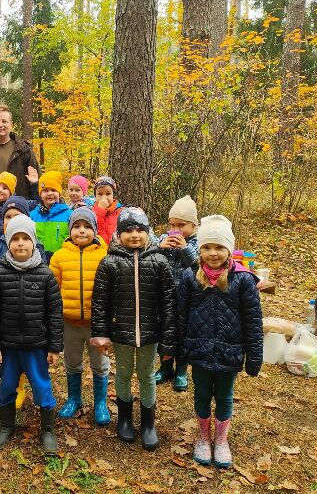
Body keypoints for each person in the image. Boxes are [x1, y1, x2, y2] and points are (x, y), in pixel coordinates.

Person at [178, 215, 262, 468]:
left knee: (224, 396)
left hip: (230, 351)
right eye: (206, 247)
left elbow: (253, 322)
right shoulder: (189, 277)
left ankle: (221, 440)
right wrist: (177, 351)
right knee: (202, 393)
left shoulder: (244, 280)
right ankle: (204, 437)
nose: (213, 253)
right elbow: (180, 316)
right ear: (199, 249)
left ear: (229, 249)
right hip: (199, 349)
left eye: (219, 247)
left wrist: (254, 356)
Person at [90, 207, 176, 451]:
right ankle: (124, 418)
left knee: (147, 375)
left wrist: (169, 341)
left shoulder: (160, 261)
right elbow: (100, 302)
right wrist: (100, 333)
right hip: (121, 334)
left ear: (148, 233)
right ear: (119, 234)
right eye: (128, 230)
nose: (135, 235)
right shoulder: (109, 263)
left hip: (150, 333)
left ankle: (148, 423)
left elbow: (169, 303)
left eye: (140, 229)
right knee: (124, 374)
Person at [0, 216, 63, 454]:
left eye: (25, 239)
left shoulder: (45, 274)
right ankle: (7, 425)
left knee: (41, 386)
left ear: (33, 242)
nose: (20, 244)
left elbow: (55, 313)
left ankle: (47, 430)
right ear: (8, 243)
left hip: (36, 346)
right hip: (8, 346)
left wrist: (54, 347)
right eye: (15, 239)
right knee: (7, 386)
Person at [49, 208, 110, 425]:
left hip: (97, 323)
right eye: (76, 226)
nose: (81, 231)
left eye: (87, 227)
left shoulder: (104, 255)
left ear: (94, 229)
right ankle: (74, 399)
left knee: (100, 363)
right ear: (70, 229)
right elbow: (52, 289)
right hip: (69, 322)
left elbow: (111, 289)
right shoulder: (59, 257)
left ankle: (100, 403)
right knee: (72, 362)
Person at [156, 195, 200, 392]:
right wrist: (159, 248)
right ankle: (165, 367)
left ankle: (181, 370)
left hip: (187, 297)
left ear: (193, 226)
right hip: (164, 295)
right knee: (164, 331)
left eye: (181, 225)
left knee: (183, 332)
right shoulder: (163, 239)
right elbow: (151, 259)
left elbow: (199, 266)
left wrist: (185, 249)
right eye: (173, 224)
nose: (176, 230)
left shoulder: (199, 244)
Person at [0, 104, 41, 198]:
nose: (0, 125)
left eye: (4, 121)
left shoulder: (24, 150)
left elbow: (37, 181)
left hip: (16, 208)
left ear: (11, 124)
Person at [30, 171, 71, 260]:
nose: (50, 193)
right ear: (40, 194)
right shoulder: (33, 216)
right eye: (45, 190)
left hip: (61, 260)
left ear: (59, 193)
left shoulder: (69, 215)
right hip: (38, 260)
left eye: (53, 190)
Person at [0, 170, 39, 235]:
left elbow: (37, 203)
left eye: (5, 188)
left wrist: (35, 185)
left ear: (11, 192)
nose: (0, 190)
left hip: (14, 240)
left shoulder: (18, 204)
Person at [91, 176, 123, 245]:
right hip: (98, 251)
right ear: (95, 196)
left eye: (108, 194)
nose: (104, 197)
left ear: (113, 195)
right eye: (100, 194)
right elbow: (94, 231)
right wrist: (100, 211)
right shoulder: (90, 212)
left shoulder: (121, 212)